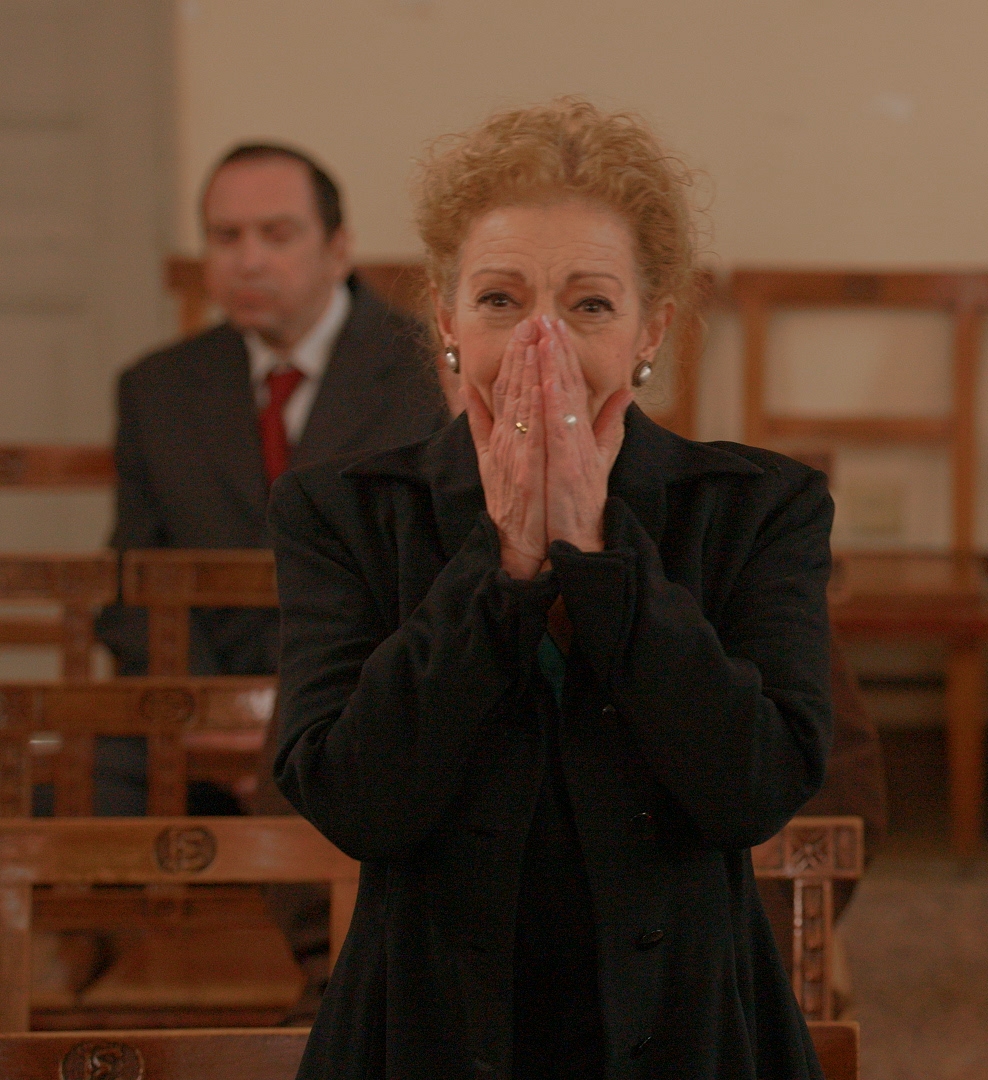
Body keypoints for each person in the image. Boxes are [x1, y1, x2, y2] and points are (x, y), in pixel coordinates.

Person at [271, 99, 832, 1080]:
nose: (545, 342)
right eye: (500, 300)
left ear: (652, 329)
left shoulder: (757, 507)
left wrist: (599, 555)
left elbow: (754, 788)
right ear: (446, 320)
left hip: (689, 1024)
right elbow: (357, 802)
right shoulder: (345, 512)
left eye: (590, 305)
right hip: (424, 1028)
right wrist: (506, 564)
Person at [99, 143, 446, 678]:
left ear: (337, 249)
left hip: (370, 691)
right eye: (226, 236)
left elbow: (436, 581)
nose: (249, 261)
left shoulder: (428, 375)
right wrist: (204, 703)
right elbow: (131, 583)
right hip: (195, 693)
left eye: (277, 235)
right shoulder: (156, 389)